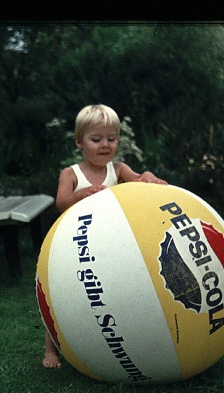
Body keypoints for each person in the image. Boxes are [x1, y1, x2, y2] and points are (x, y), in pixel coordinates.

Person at [43, 104, 168, 369]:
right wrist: (79, 195)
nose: (105, 145)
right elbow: (61, 202)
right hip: (74, 245)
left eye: (111, 139)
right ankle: (51, 351)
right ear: (80, 142)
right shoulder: (71, 174)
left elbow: (137, 181)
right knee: (58, 295)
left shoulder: (119, 169)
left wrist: (147, 177)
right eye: (96, 139)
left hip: (106, 248)